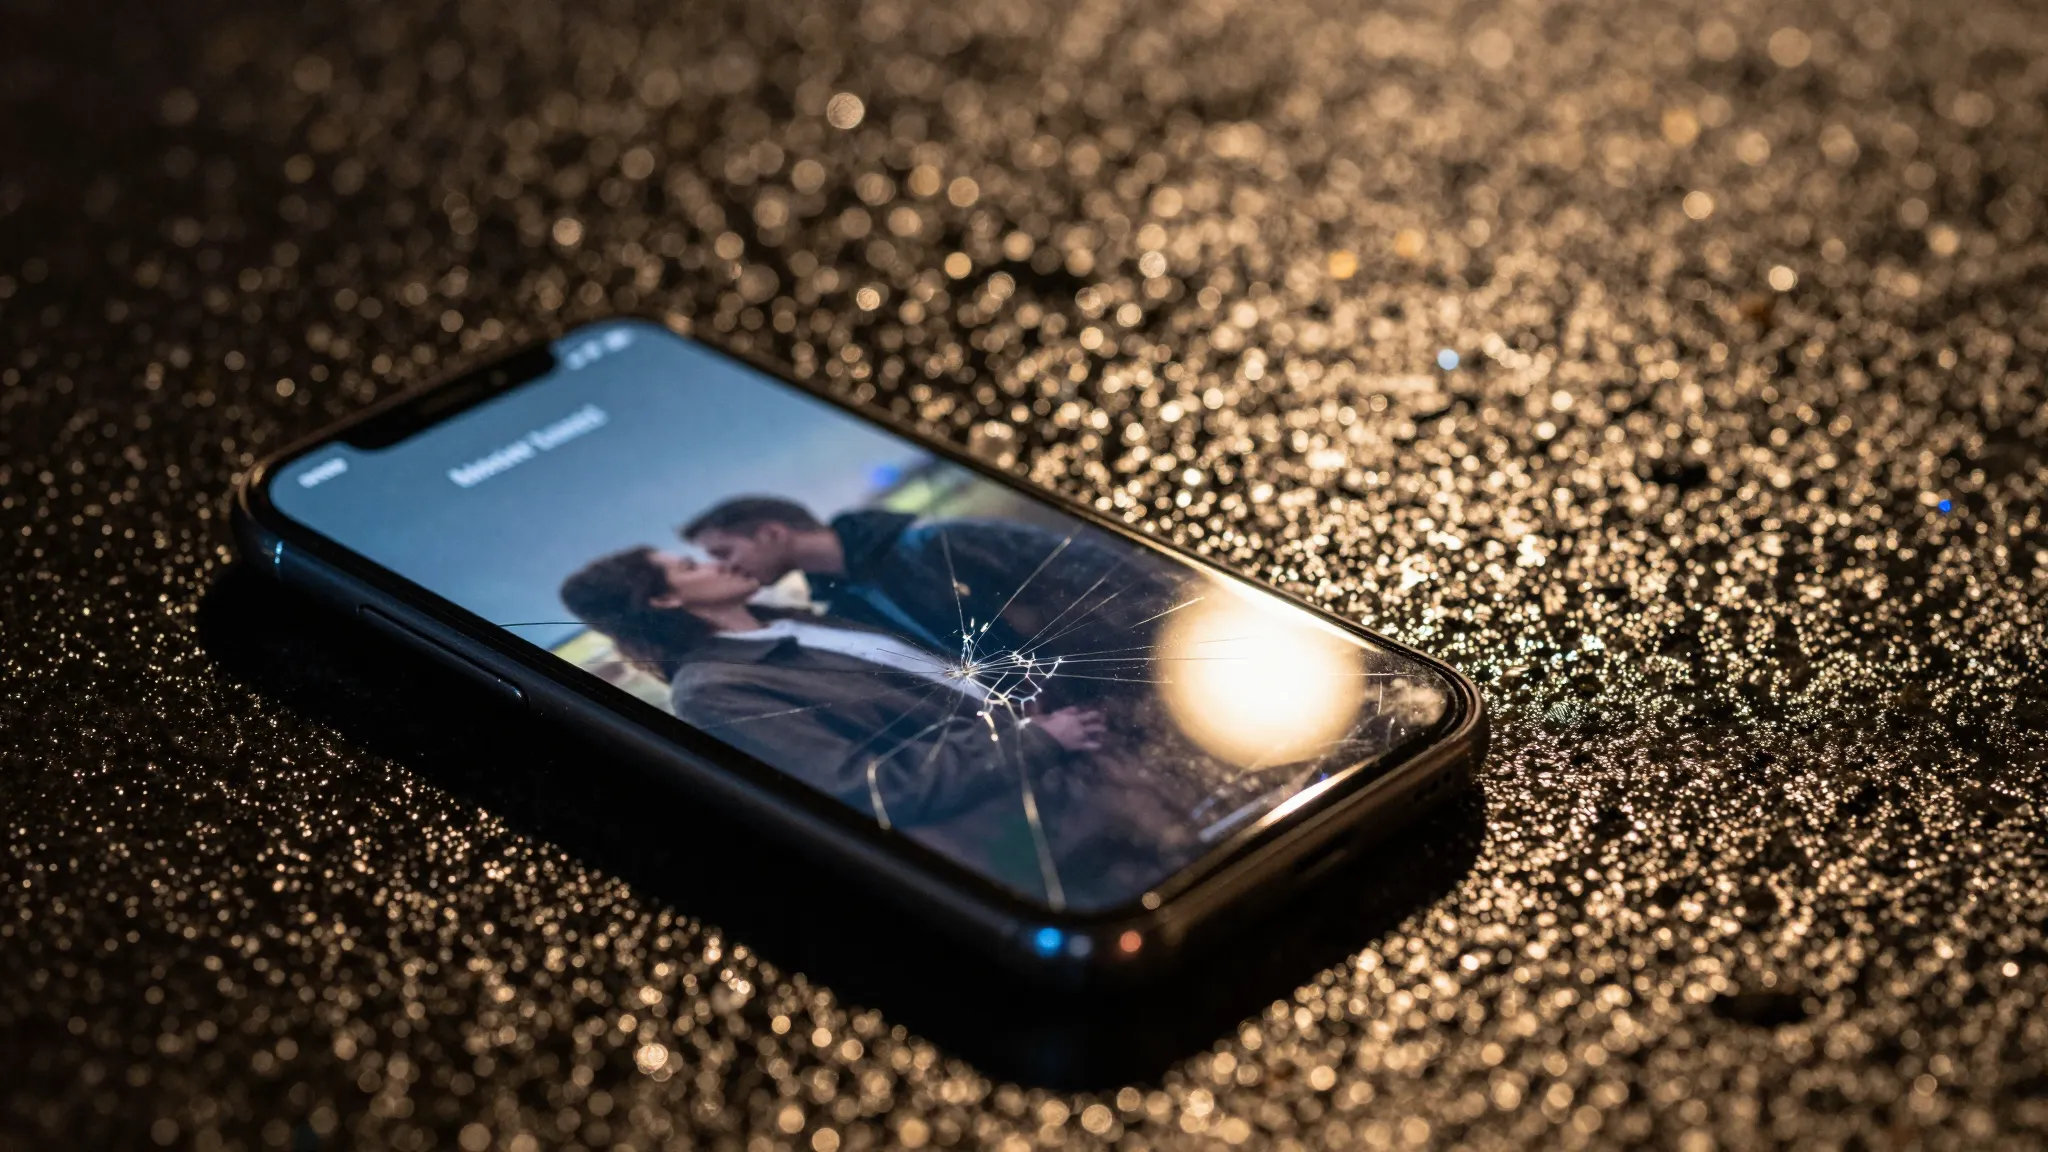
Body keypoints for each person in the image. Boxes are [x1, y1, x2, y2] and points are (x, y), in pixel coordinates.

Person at [558, 546, 1172, 909]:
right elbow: (865, 787)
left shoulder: (801, 624)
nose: (719, 562)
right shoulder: (712, 691)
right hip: (1041, 847)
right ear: (664, 601)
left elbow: (945, 696)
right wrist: (1034, 741)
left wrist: (1018, 713)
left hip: (1093, 793)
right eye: (691, 564)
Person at [679, 496, 1171, 669]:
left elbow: (1102, 571)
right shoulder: (845, 612)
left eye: (724, 552)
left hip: (1147, 661)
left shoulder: (933, 541)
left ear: (772, 533)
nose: (728, 568)